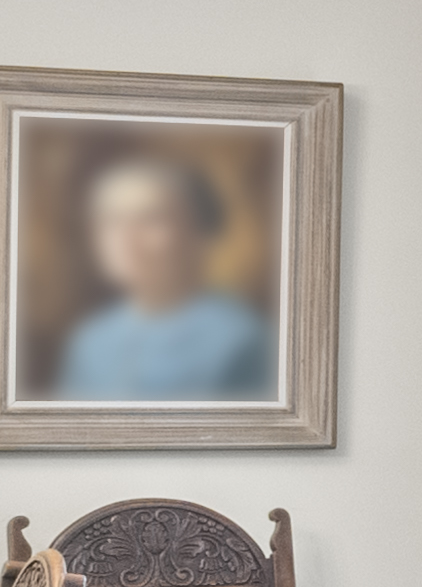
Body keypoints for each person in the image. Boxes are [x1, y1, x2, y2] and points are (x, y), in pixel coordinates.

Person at [45, 142, 277, 401]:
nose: (126, 238)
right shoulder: (90, 342)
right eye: (111, 221)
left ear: (197, 231)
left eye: (150, 219)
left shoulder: (239, 341)